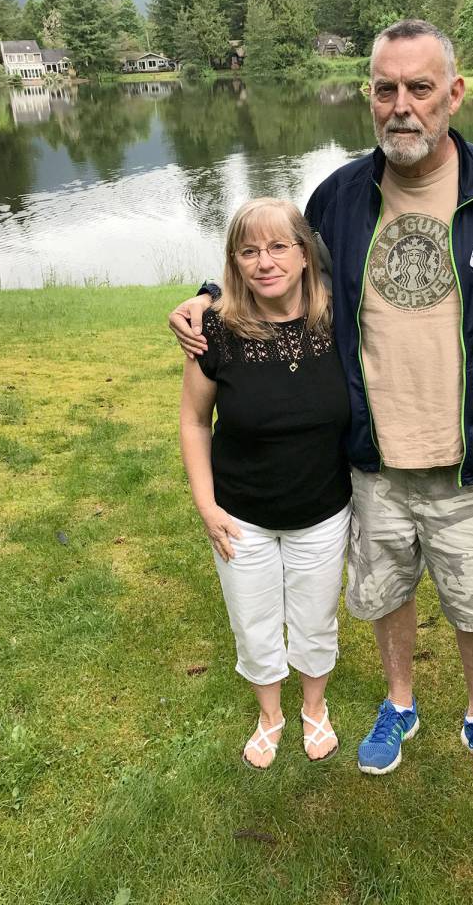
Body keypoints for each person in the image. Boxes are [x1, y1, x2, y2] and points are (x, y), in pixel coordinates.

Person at [171, 20, 473, 794]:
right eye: (385, 89)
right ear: (369, 98)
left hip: (472, 459)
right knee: (385, 594)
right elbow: (275, 267)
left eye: (419, 88)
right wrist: (208, 296)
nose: (402, 106)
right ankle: (399, 703)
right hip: (373, 464)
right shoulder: (339, 198)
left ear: (453, 94)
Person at [179, 197, 352, 769]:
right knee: (253, 622)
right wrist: (206, 506)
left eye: (279, 246)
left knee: (315, 618)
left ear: (307, 255)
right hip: (240, 514)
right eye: (248, 250)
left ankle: (314, 708)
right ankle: (270, 715)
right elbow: (194, 422)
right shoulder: (214, 330)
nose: (264, 261)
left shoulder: (338, 318)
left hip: (324, 509)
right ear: (234, 262)